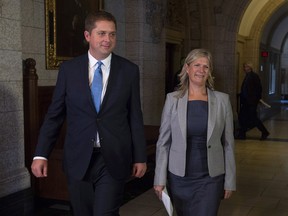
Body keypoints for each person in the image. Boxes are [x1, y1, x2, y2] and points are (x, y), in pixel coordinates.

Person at [31, 11, 147, 216]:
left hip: (112, 157)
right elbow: (54, 115)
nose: (107, 39)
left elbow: (135, 117)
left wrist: (140, 156)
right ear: (87, 36)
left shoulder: (129, 71)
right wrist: (41, 154)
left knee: (105, 213)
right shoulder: (69, 70)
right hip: (78, 157)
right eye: (102, 33)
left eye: (112, 34)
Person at [153, 48, 236, 216]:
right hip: (180, 177)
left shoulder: (222, 100)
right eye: (197, 65)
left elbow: (228, 144)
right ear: (187, 68)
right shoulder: (172, 99)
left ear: (210, 71)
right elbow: (163, 143)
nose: (201, 70)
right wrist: (159, 179)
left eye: (206, 66)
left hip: (211, 177)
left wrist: (230, 181)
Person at [236, 62, 270, 140]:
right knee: (243, 117)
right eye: (244, 66)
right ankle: (242, 134)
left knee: (253, 118)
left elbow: (258, 89)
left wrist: (255, 99)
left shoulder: (254, 76)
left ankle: (264, 132)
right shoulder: (248, 76)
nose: (244, 68)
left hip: (250, 102)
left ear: (250, 67)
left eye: (246, 66)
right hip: (246, 101)